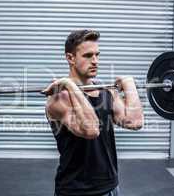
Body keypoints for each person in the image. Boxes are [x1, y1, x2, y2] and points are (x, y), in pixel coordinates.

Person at [43, 29, 144, 196]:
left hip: (111, 187)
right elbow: (91, 130)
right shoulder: (58, 99)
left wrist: (129, 84)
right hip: (75, 190)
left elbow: (135, 122)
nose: (95, 61)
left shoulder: (106, 92)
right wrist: (70, 85)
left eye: (97, 55)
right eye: (88, 56)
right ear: (70, 58)